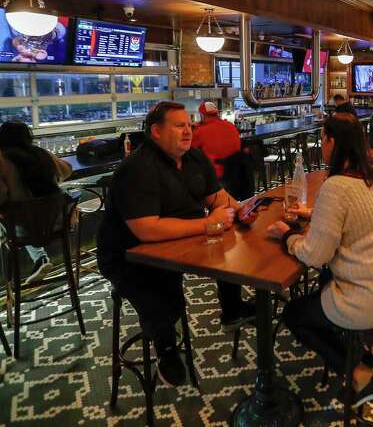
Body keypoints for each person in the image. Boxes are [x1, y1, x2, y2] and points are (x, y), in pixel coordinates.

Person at [97, 101, 258, 387]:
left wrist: (241, 209)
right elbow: (146, 229)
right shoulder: (137, 168)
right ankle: (166, 349)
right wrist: (209, 224)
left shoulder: (195, 159)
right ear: (156, 131)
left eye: (189, 125)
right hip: (130, 256)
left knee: (229, 250)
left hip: (180, 240)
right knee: (164, 299)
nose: (188, 131)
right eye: (179, 125)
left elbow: (216, 196)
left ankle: (232, 310)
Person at [266, 112, 373, 408]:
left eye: (323, 139)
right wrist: (317, 214)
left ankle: (361, 372)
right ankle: (364, 357)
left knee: (295, 314)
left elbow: (315, 255)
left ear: (332, 142)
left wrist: (286, 236)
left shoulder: (336, 187)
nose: (321, 144)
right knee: (325, 283)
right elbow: (357, 218)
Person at [0, 121, 73, 284]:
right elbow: (67, 169)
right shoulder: (40, 154)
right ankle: (40, 259)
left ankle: (7, 285)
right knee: (12, 222)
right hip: (55, 223)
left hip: (23, 229)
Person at [191, 101, 241, 180]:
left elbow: (190, 149)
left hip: (215, 175)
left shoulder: (200, 132)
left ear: (202, 116)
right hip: (236, 172)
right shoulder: (230, 126)